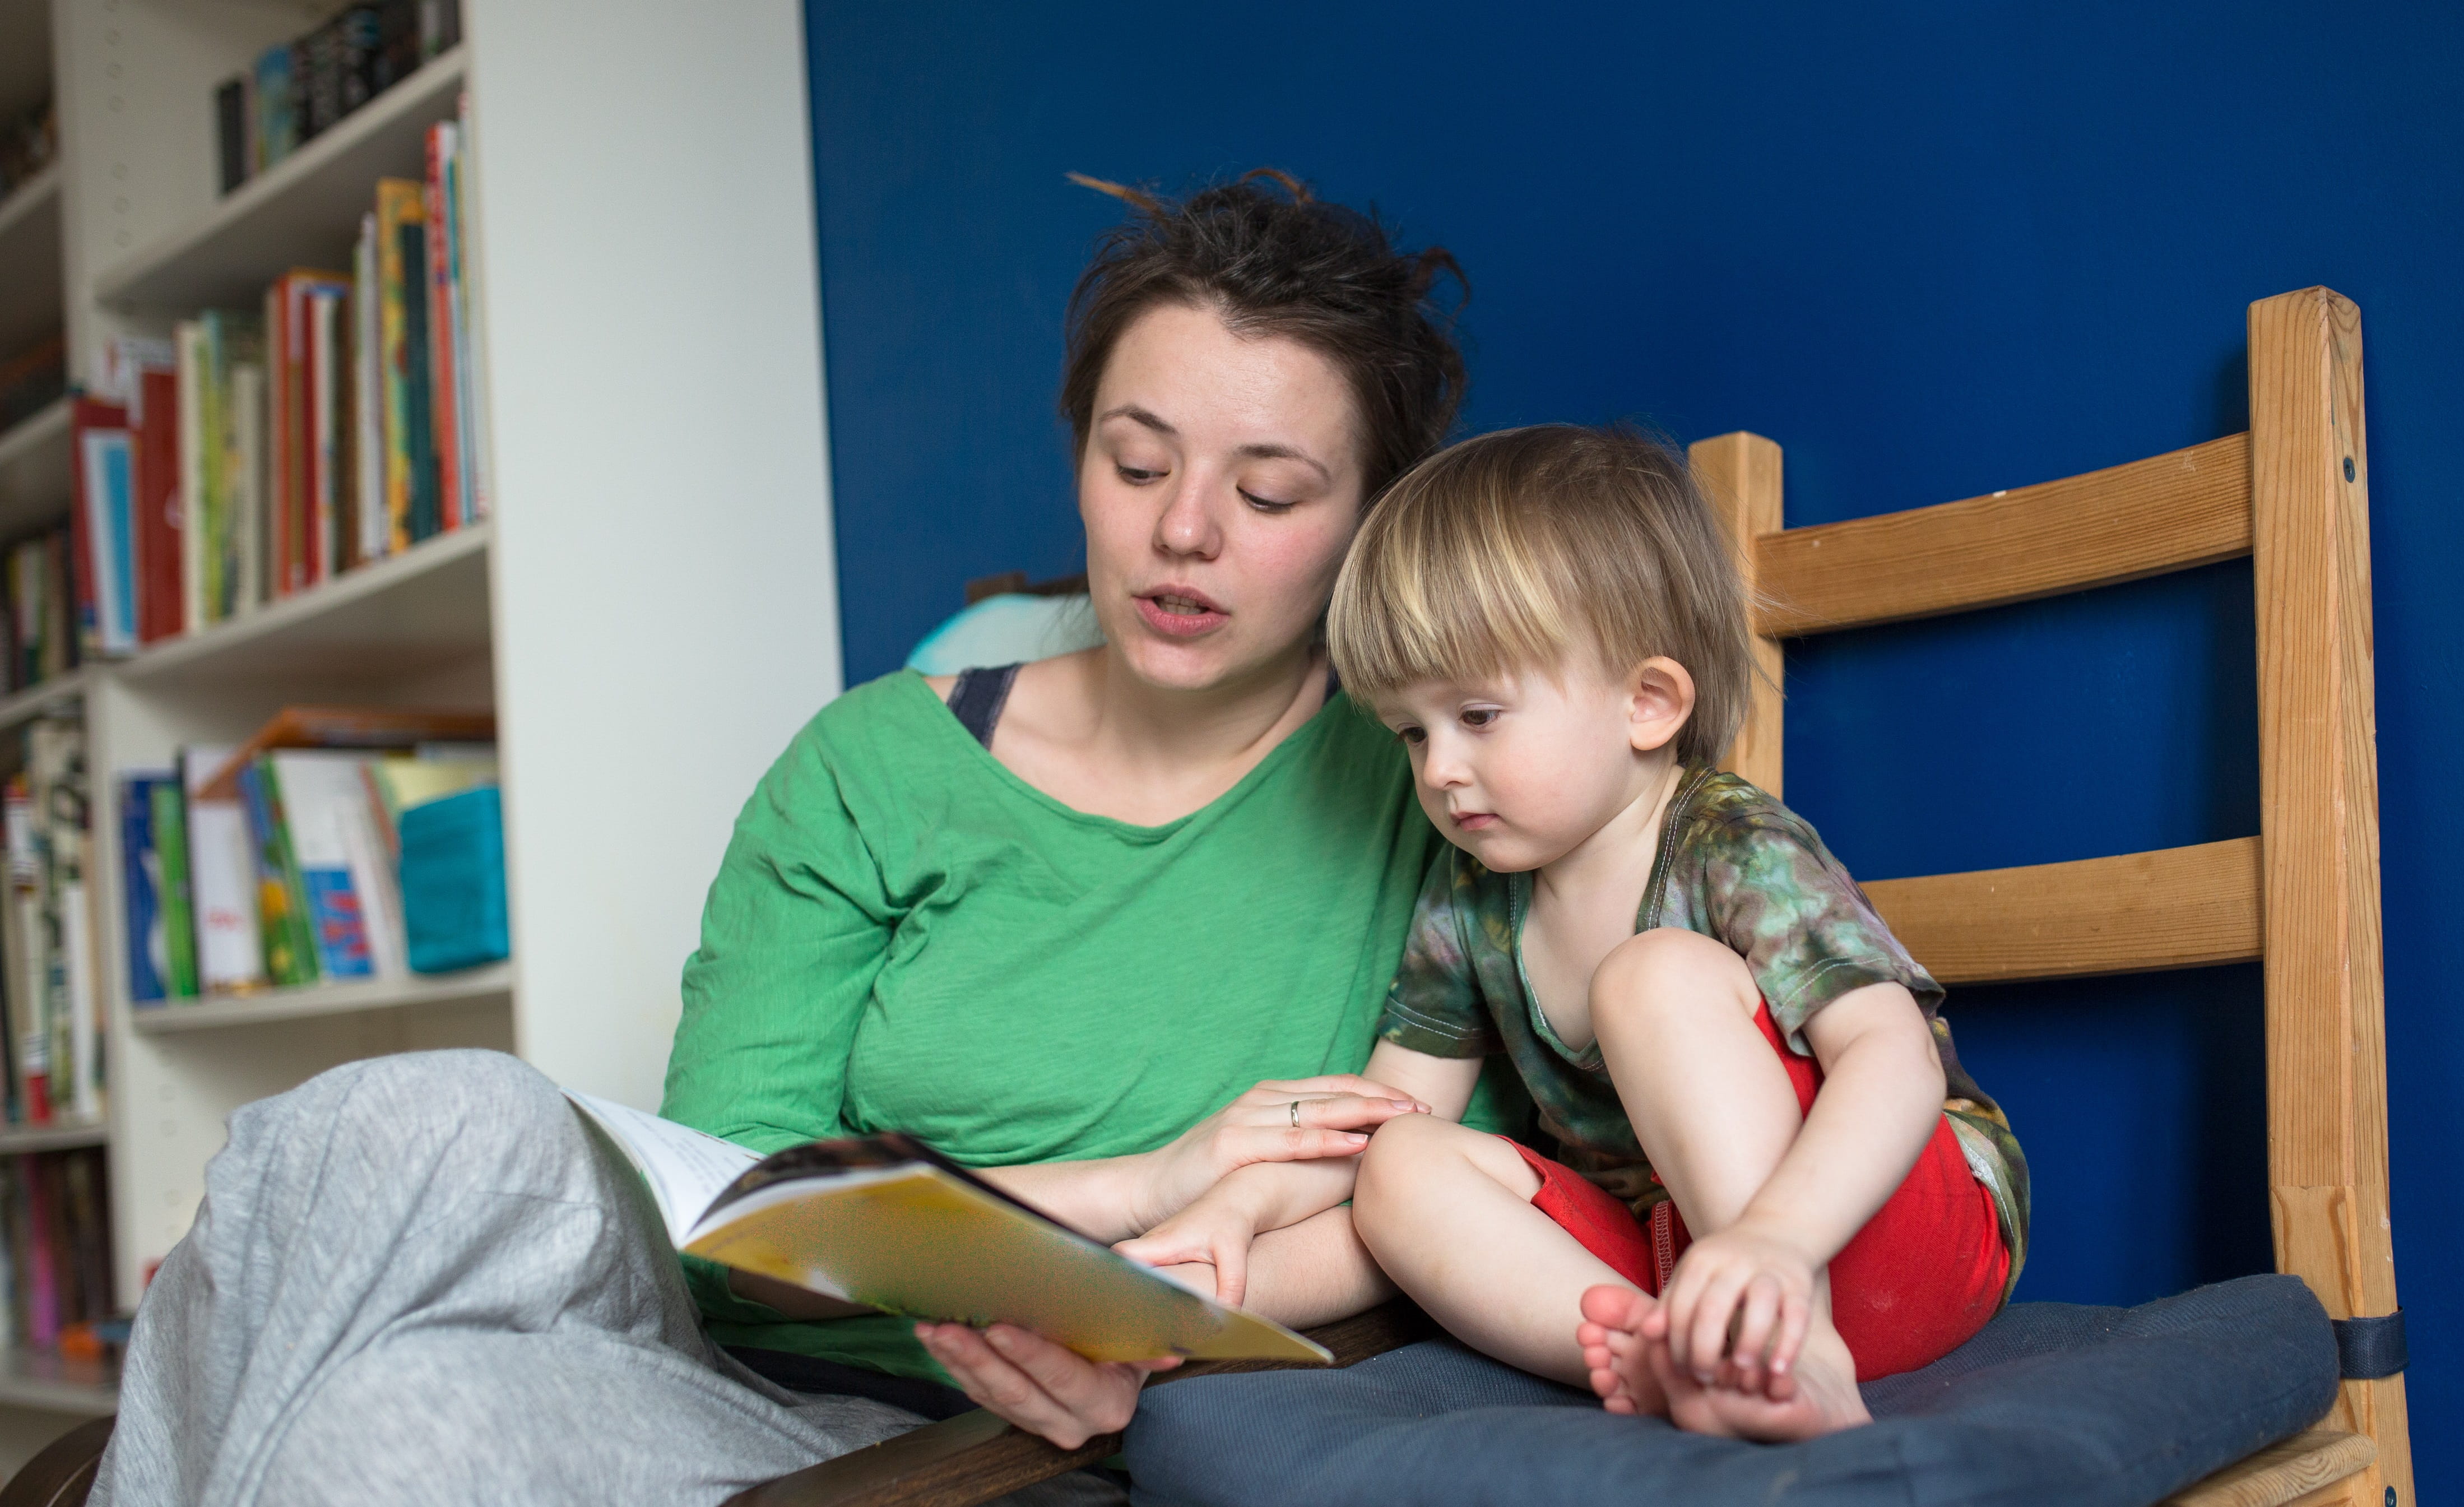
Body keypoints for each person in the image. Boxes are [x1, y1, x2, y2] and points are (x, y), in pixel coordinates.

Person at [91, 172, 1515, 1507]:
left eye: (1267, 494)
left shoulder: (1441, 780)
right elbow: (736, 1226)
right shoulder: (871, 764)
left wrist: (1162, 1322)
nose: (1183, 530)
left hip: (986, 1436)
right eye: (1136, 463)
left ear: (1370, 518)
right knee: (410, 1117)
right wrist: (1131, 1191)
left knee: (380, 1427)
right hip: (748, 1370)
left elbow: (1472, 1197)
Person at [1125, 424, 2028, 1443]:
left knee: (1651, 979)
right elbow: (1378, 1119)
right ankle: (1660, 1358)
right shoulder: (1472, 895)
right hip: (1678, 1260)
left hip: (1884, 1227)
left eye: (1477, 715)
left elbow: (1895, 1060)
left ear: (1647, 703)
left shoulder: (1731, 843)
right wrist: (1240, 1212)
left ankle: (1790, 1347)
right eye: (1413, 731)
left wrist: (1779, 1240)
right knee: (1402, 1158)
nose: (1439, 770)